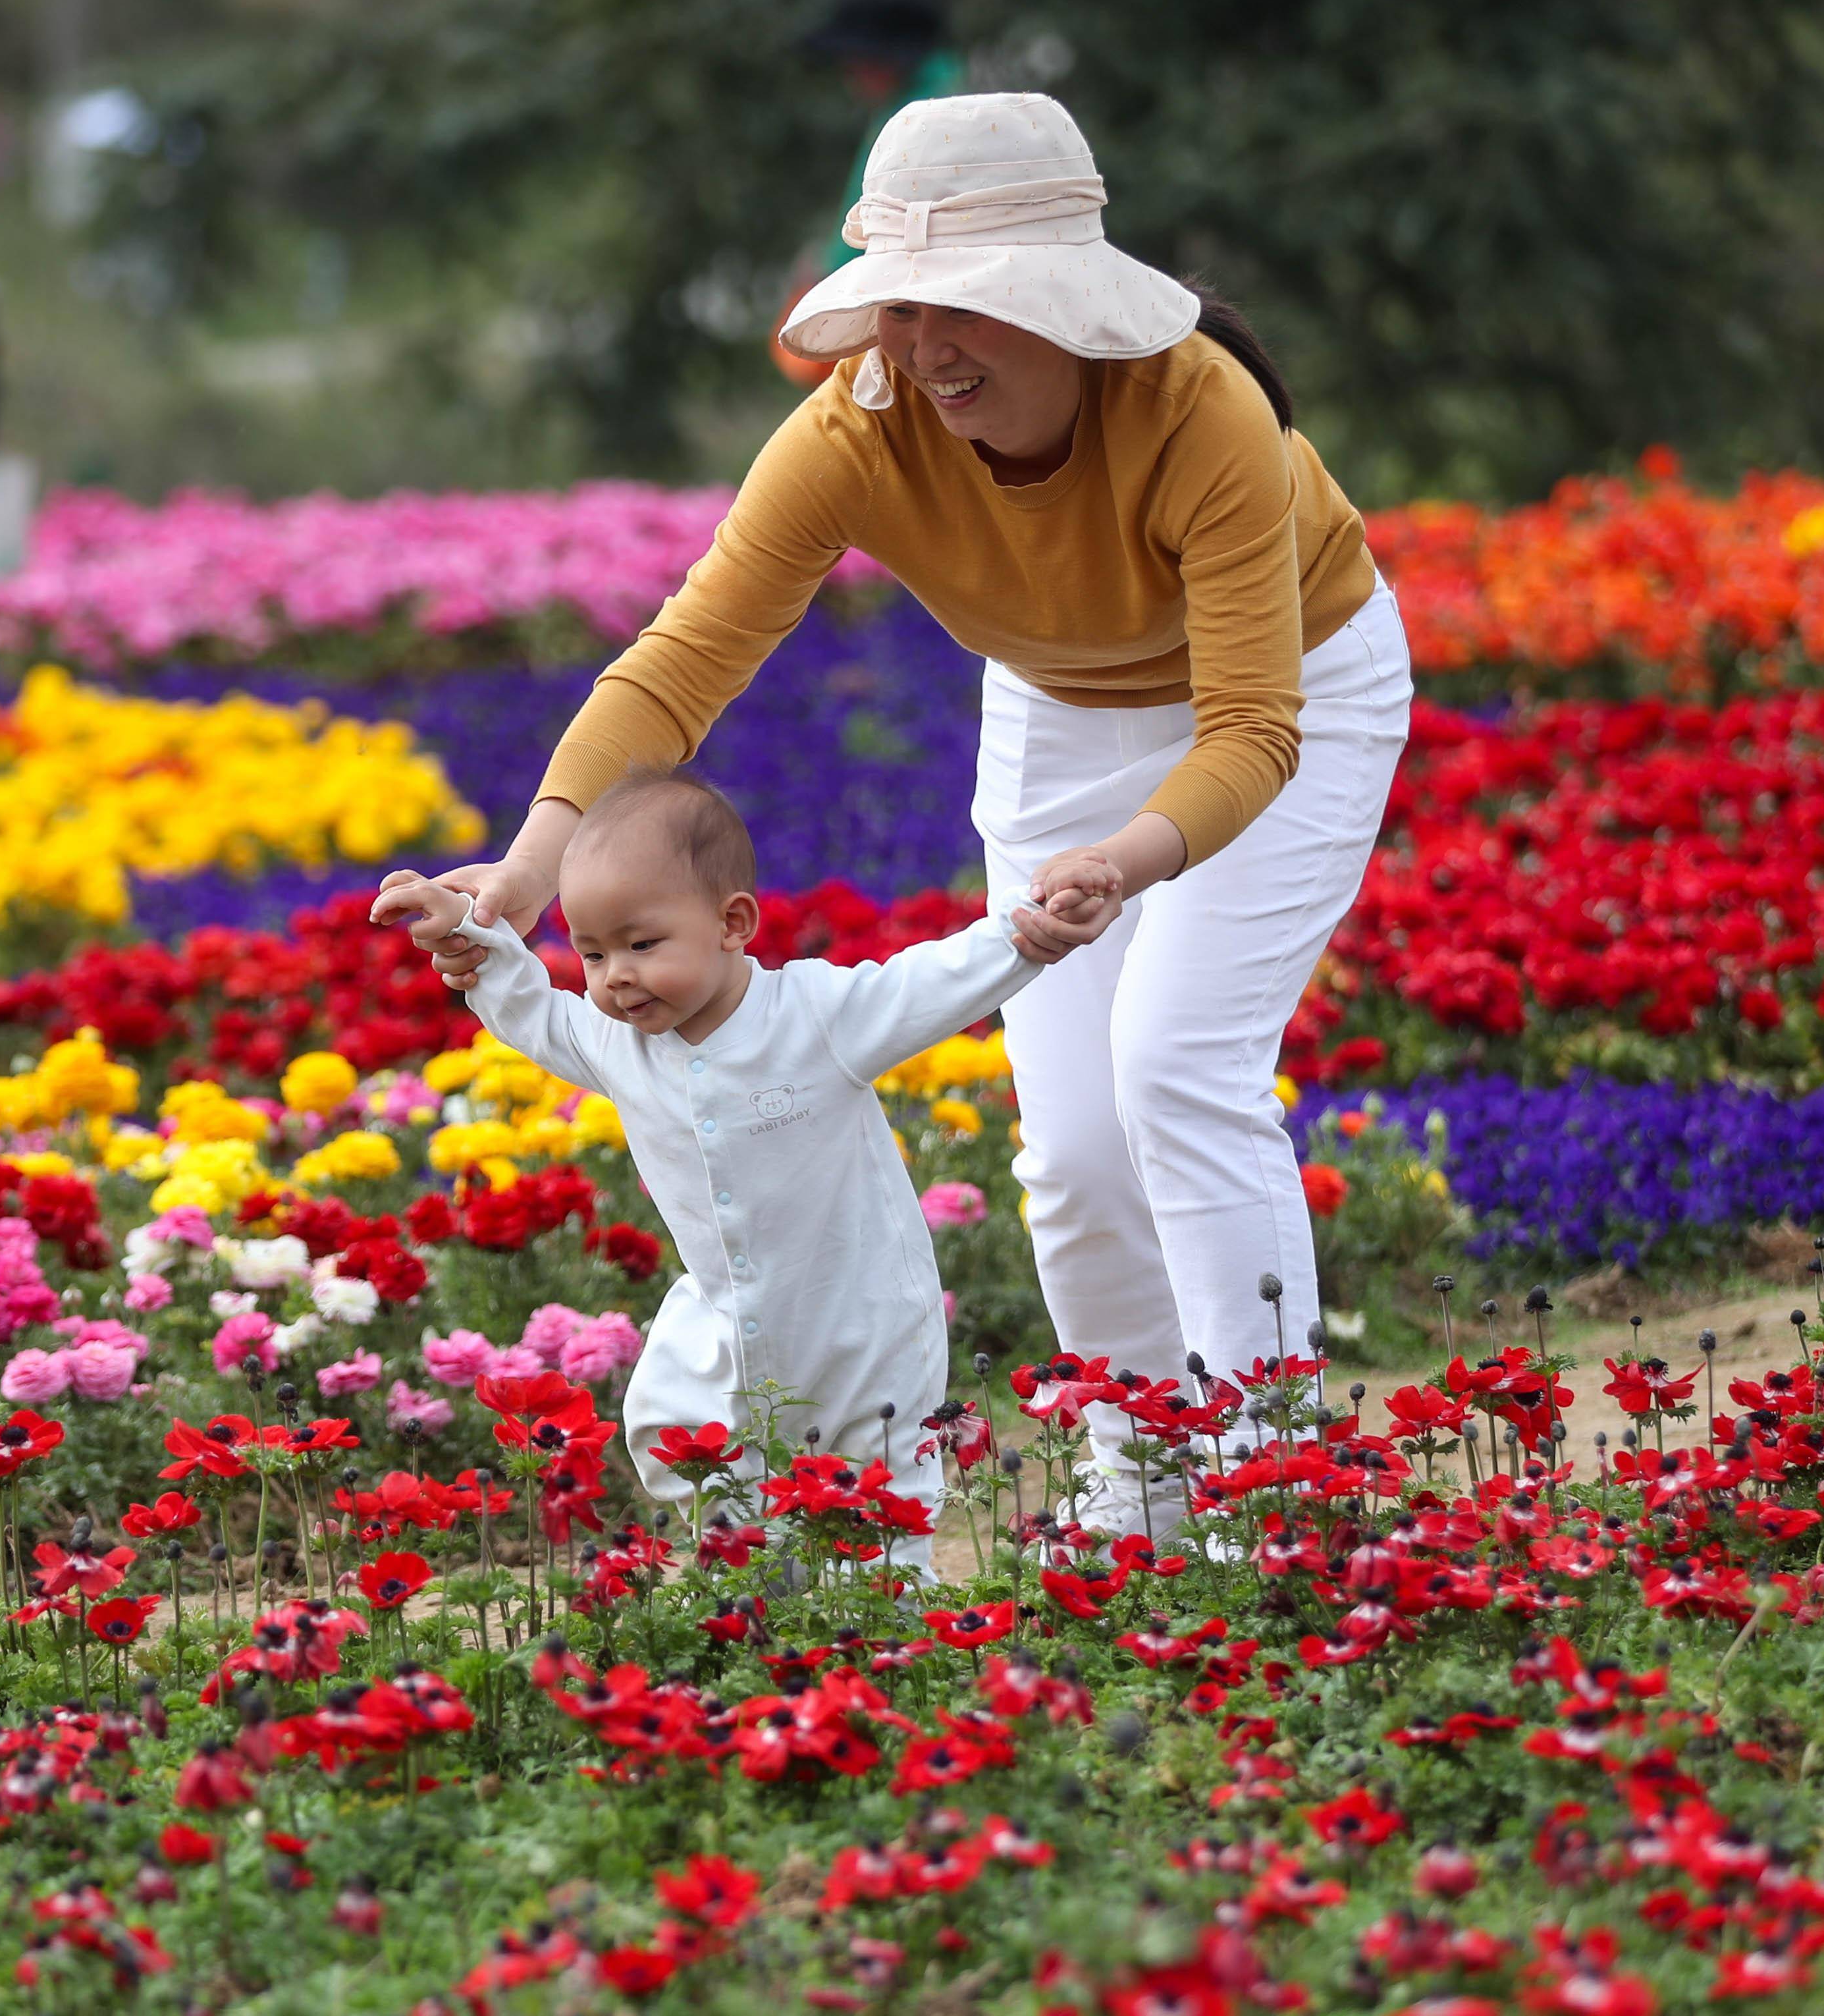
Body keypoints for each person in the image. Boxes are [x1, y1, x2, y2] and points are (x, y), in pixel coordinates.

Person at [412, 93, 1414, 1531]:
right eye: (897, 307)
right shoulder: (857, 426)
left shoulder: (1201, 408)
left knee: (1176, 1070)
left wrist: (1121, 866)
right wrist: (524, 872)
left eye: (962, 306)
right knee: (1068, 1149)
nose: (922, 346)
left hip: (1293, 696)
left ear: (1064, 305)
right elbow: (686, 658)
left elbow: (1252, 727)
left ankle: (1271, 1485)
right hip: (1064, 710)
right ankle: (1143, 1494)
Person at [373, 770, 1072, 1550]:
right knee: (675, 1422)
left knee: (875, 1474)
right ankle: (751, 1576)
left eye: (641, 945)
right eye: (593, 954)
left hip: (858, 1312)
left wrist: (1024, 930)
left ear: (732, 922)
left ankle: (889, 1619)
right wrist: (471, 936)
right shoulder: (618, 1043)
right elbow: (535, 1010)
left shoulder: (814, 1015)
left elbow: (926, 981)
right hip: (726, 1310)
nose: (616, 977)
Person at [769, 0, 966, 389]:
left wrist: (823, 277)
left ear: (884, 59)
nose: (850, 74)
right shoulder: (928, 97)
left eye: (856, 59)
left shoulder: (921, 113)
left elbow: (882, 225)